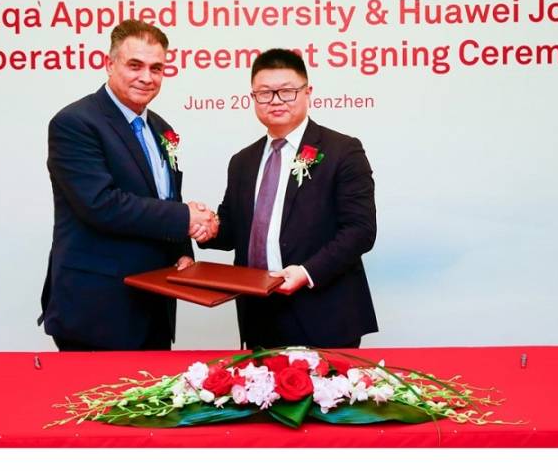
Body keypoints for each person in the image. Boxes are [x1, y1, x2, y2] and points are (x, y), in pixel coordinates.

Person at [39, 20, 217, 351]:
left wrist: (182, 250)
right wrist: (186, 218)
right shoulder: (75, 123)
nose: (147, 77)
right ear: (109, 64)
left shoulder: (161, 128)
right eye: (135, 65)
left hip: (154, 302)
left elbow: (165, 197)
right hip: (97, 308)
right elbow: (101, 204)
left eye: (156, 68)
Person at [202, 48, 378, 348]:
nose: (276, 101)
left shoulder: (342, 151)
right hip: (259, 312)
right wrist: (205, 227)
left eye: (287, 91)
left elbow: (360, 231)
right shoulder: (242, 161)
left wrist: (306, 272)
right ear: (253, 98)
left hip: (323, 311)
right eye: (264, 93)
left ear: (308, 92)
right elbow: (232, 231)